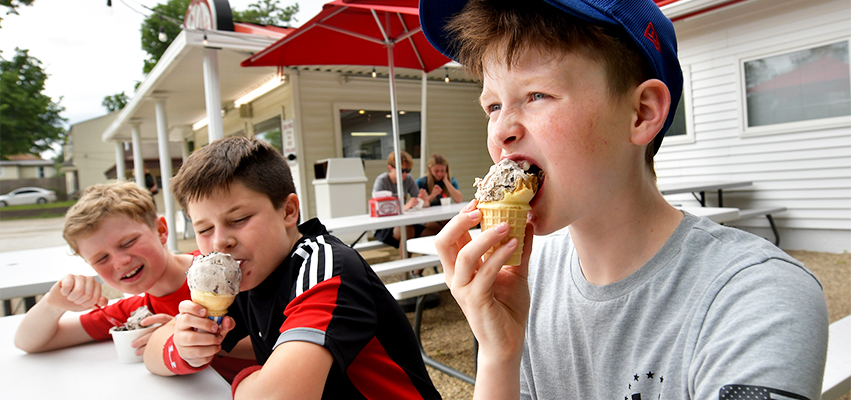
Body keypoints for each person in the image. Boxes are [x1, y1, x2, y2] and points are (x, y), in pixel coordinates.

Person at [420, 0, 829, 399]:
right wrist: (498, 356)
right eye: (492, 105)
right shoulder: (528, 279)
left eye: (536, 95)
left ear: (641, 113)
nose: (501, 131)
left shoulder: (754, 297)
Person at [151, 137, 440, 399]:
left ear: (289, 211)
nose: (219, 242)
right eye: (203, 229)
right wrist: (183, 346)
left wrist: (243, 381)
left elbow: (278, 396)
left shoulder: (326, 267)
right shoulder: (240, 273)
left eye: (239, 219)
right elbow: (154, 347)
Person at [13, 181, 254, 382]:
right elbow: (28, 342)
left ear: (161, 230)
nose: (120, 262)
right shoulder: (138, 313)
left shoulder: (228, 271)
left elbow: (281, 334)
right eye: (101, 258)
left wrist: (189, 336)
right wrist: (54, 304)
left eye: (128, 242)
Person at [372, 150, 430, 249]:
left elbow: (420, 201)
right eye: (401, 171)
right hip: (385, 227)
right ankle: (408, 262)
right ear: (390, 167)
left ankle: (420, 262)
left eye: (407, 171)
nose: (404, 174)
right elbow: (379, 208)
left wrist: (424, 201)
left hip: (404, 222)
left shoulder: (408, 179)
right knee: (408, 231)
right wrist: (403, 207)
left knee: (432, 231)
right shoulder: (382, 181)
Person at [417, 153, 464, 236]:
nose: (439, 174)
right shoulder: (421, 182)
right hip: (428, 220)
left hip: (444, 217)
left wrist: (446, 181)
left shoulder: (451, 180)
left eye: (442, 171)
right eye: (436, 171)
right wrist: (432, 196)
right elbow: (418, 205)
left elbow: (458, 199)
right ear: (429, 168)